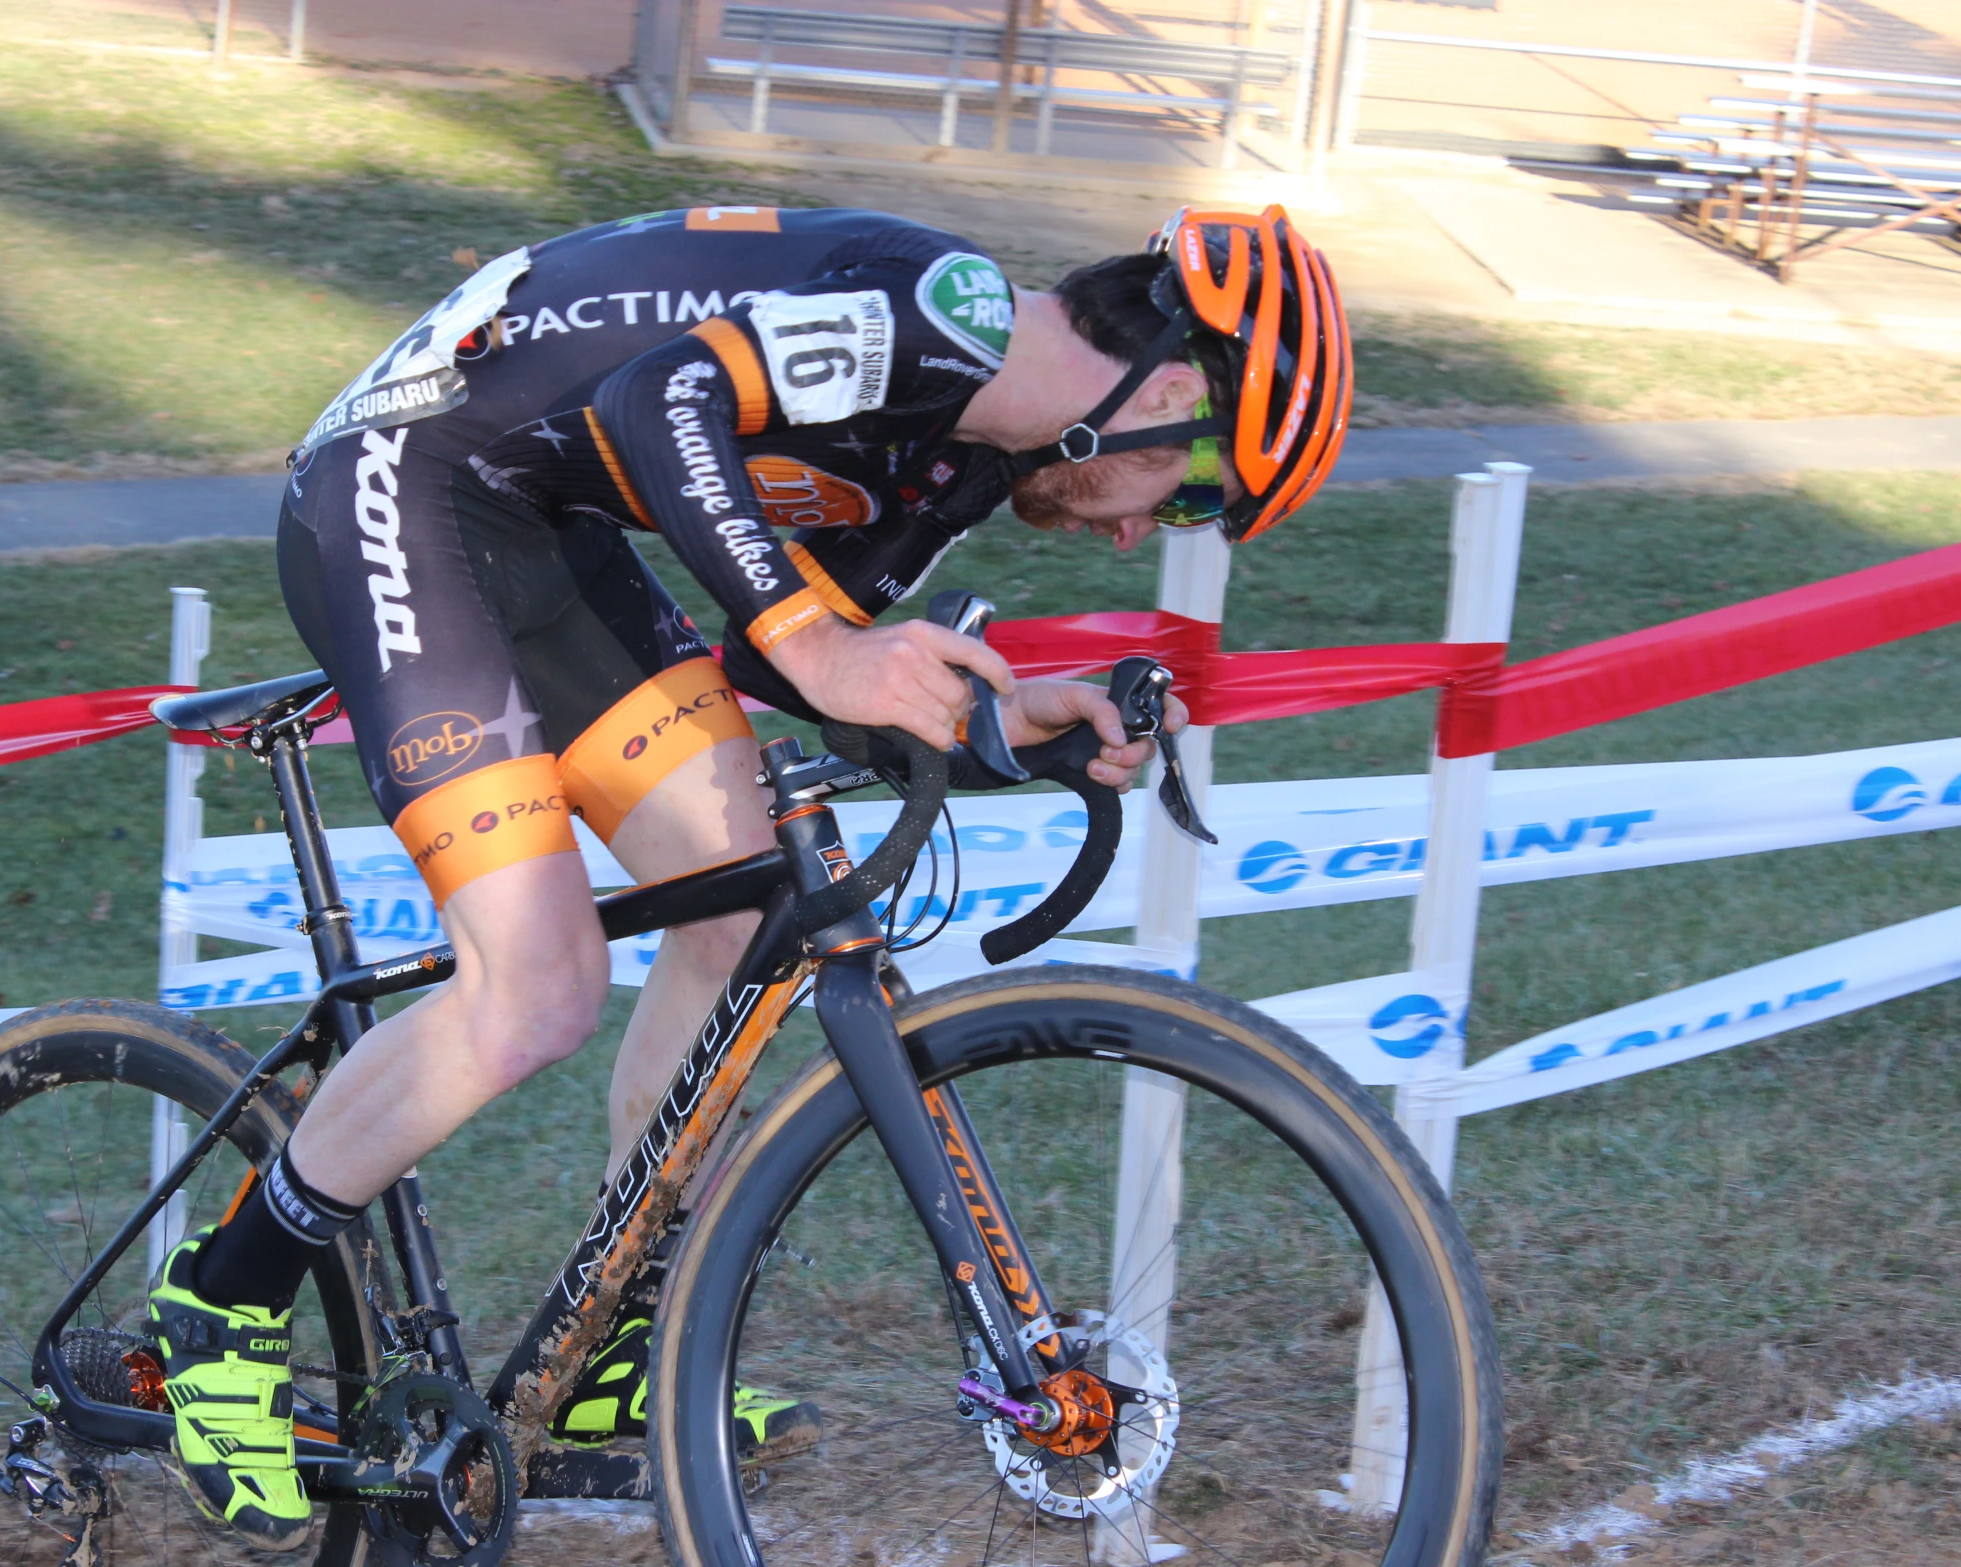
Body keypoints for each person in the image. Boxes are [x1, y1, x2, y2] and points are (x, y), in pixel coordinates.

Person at [145, 203, 1353, 1547]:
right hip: (405, 485)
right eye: (1190, 492)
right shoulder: (953, 318)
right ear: (1171, 392)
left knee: (736, 913)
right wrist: (837, 655)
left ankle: (610, 1344)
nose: (1143, 535)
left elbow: (793, 653)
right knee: (536, 987)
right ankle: (221, 1297)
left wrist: (1009, 729)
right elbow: (665, 398)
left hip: (541, 530)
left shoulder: (956, 460)